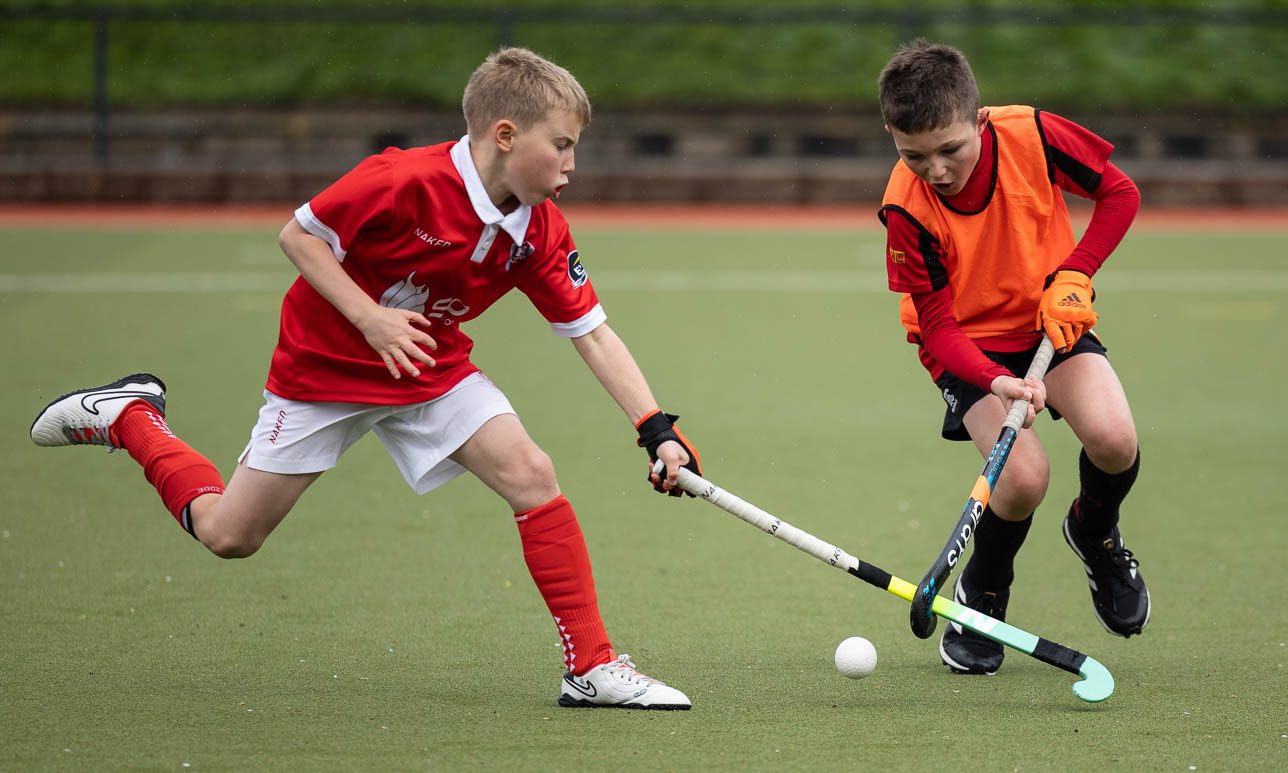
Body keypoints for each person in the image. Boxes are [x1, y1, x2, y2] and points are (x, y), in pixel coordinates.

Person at [30, 47, 700, 710]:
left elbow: (593, 334)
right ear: (505, 136)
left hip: (429, 367)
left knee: (531, 473)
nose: (572, 165)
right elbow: (299, 237)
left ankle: (591, 666)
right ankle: (132, 417)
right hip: (325, 369)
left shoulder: (539, 229)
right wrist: (370, 318)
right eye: (561, 145)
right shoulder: (401, 179)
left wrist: (656, 430)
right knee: (229, 535)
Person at [875, 40, 1151, 676]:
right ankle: (984, 590)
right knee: (1023, 479)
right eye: (914, 155)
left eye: (950, 149)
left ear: (979, 119)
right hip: (966, 345)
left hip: (1048, 317)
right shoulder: (905, 207)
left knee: (1114, 440)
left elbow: (1120, 193)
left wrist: (1076, 271)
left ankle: (1094, 531)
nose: (936, 170)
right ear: (892, 137)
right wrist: (995, 380)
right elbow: (937, 327)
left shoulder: (1033, 135)